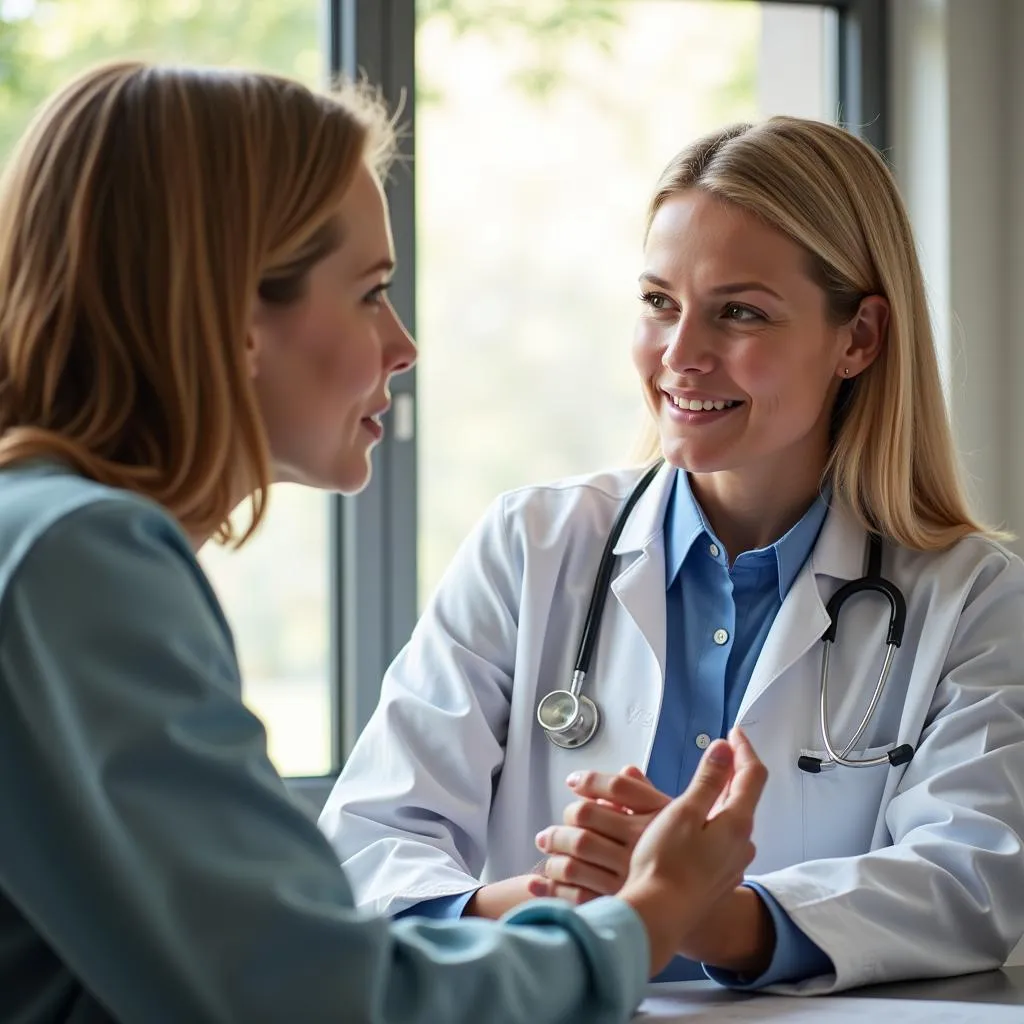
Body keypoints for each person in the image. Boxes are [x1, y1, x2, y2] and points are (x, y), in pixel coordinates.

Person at [0, 61, 769, 1024]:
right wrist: (654, 909)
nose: (403, 345)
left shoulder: (36, 536)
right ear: (235, 317)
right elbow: (311, 999)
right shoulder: (79, 562)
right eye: (370, 293)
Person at [320, 115, 1024, 995]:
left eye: (740, 312)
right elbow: (371, 845)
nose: (681, 356)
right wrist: (581, 905)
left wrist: (698, 911)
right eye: (659, 302)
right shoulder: (531, 547)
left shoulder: (974, 599)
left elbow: (972, 878)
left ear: (860, 338)